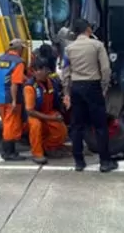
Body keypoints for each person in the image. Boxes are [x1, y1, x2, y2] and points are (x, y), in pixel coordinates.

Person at [61, 18, 118, 173]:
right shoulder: (97, 46)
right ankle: (105, 162)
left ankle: (79, 162)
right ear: (88, 30)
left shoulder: (69, 49)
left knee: (77, 126)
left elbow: (65, 73)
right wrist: (103, 87)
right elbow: (106, 70)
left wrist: (67, 92)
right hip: (93, 86)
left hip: (76, 87)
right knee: (100, 125)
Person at [23, 58, 69, 164]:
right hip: (34, 115)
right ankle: (37, 153)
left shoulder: (52, 82)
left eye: (45, 69)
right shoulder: (30, 87)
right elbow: (30, 111)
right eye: (40, 70)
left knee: (61, 130)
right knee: (36, 125)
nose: (44, 72)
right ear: (34, 72)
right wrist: (52, 118)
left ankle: (48, 147)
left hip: (48, 112)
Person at [0, 38, 28, 161]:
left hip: (0, 97)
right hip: (10, 98)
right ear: (19, 49)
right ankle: (8, 152)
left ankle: (10, 151)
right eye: (22, 48)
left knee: (6, 124)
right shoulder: (18, 62)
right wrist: (14, 101)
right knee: (11, 125)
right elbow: (14, 83)